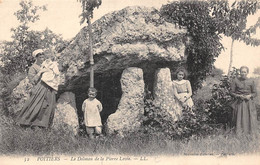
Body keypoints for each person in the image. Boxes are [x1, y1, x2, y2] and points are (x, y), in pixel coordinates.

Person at [16, 49, 60, 128]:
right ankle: (27, 123)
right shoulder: (33, 68)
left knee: (49, 106)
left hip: (49, 87)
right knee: (36, 106)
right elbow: (32, 81)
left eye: (43, 57)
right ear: (36, 58)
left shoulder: (47, 64)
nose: (42, 59)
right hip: (39, 88)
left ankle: (44, 125)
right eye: (40, 57)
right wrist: (40, 72)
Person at [230, 66, 257, 136]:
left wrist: (250, 96)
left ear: (247, 73)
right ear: (240, 72)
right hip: (239, 102)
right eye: (242, 72)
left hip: (249, 103)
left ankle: (249, 134)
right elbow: (231, 92)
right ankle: (238, 134)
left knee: (249, 117)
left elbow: (255, 93)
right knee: (239, 118)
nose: (243, 73)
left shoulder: (251, 81)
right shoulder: (235, 81)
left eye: (245, 72)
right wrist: (238, 96)